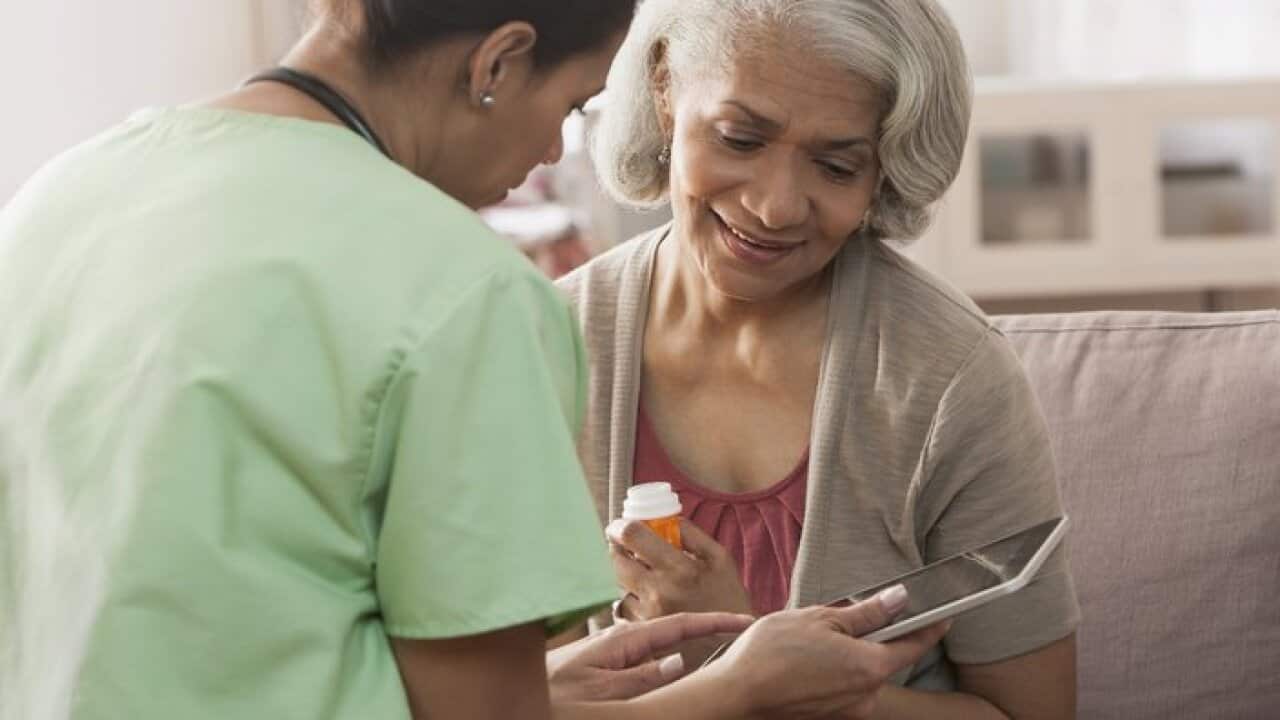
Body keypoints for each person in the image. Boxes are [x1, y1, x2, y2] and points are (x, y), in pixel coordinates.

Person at [0, 1, 947, 718]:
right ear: (499, 60)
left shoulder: (56, 196)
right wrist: (730, 693)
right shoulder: (465, 290)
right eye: (570, 104)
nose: (548, 149)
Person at [559, 0, 1082, 717]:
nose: (776, 207)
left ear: (883, 171)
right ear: (664, 90)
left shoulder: (950, 379)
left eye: (836, 166)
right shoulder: (548, 343)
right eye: (741, 139)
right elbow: (487, 689)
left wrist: (813, 692)